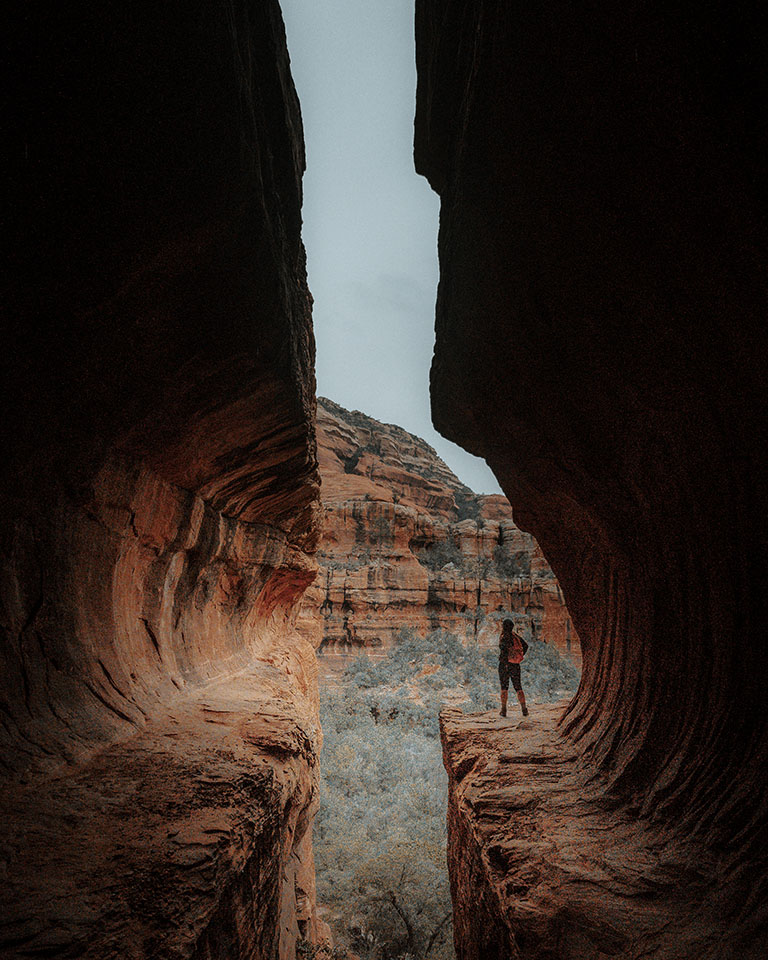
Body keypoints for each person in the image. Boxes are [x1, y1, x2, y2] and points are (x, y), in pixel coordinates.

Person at [498, 618, 529, 717]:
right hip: (515, 665)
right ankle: (524, 709)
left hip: (504, 665)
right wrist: (518, 656)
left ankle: (503, 710)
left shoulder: (504, 637)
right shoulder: (516, 637)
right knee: (518, 687)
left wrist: (506, 660)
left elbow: (503, 650)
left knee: (504, 687)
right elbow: (526, 646)